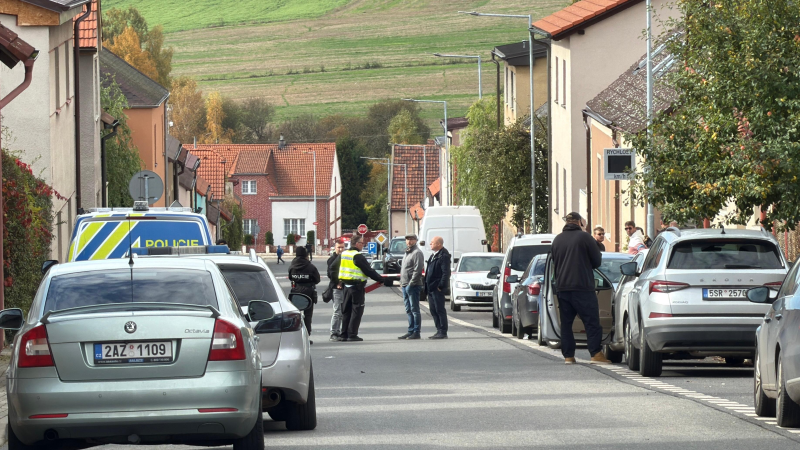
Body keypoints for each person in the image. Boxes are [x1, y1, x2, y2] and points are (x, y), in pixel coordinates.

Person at [551, 212, 610, 365]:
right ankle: (595, 353)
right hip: (582, 286)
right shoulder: (585, 237)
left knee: (566, 324)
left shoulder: (557, 240)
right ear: (579, 222)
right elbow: (596, 261)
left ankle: (568, 356)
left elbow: (555, 263)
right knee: (591, 321)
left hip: (563, 287)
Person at [334, 235, 384, 341]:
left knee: (346, 311)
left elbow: (332, 267)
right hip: (356, 287)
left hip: (346, 286)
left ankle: (344, 334)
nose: (363, 245)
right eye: (362, 243)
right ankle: (352, 334)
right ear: (357, 244)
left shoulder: (344, 254)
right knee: (356, 310)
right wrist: (381, 279)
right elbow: (368, 270)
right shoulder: (357, 256)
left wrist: (337, 281)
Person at [288, 246, 320, 344]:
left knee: (295, 315)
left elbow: (290, 277)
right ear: (306, 254)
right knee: (308, 316)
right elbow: (317, 279)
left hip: (295, 292)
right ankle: (306, 337)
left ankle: (295, 337)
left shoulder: (292, 266)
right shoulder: (311, 267)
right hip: (308, 292)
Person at [398, 234, 424, 340]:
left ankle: (416, 332)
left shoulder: (417, 253)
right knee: (408, 309)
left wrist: (411, 283)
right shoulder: (407, 252)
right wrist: (402, 282)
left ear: (416, 241)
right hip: (405, 284)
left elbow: (417, 270)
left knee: (414, 309)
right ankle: (410, 331)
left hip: (413, 285)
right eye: (407, 239)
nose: (409, 241)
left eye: (412, 239)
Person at [425, 236, 451, 339]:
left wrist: (440, 286)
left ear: (439, 244)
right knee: (433, 310)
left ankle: (443, 331)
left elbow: (446, 273)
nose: (430, 244)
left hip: (437, 288)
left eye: (432, 242)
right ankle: (438, 329)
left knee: (439, 310)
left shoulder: (443, 256)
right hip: (430, 287)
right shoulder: (434, 255)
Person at [327, 240, 346, 341]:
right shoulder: (332, 259)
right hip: (336, 288)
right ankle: (333, 333)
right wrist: (338, 282)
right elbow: (330, 274)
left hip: (344, 287)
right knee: (337, 311)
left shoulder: (345, 258)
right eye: (339, 247)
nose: (341, 249)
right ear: (335, 248)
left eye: (342, 247)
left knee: (342, 312)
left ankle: (339, 332)